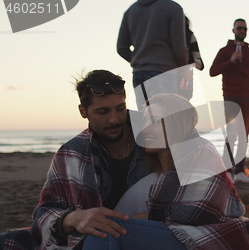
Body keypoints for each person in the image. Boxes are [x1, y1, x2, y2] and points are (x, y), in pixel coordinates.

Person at [0, 70, 153, 249]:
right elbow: (43, 214)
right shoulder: (71, 153)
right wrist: (73, 218)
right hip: (93, 238)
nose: (114, 119)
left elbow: (191, 190)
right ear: (83, 111)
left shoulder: (155, 131)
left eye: (120, 108)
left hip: (149, 232)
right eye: (102, 112)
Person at [82, 93, 249, 250]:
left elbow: (203, 211)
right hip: (174, 238)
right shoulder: (150, 182)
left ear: (176, 123)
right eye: (145, 122)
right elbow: (123, 216)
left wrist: (149, 215)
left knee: (104, 232)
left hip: (209, 238)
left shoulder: (203, 152)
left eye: (156, 121)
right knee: (104, 230)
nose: (146, 129)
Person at [209, 18, 249, 183]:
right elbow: (212, 71)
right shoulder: (225, 51)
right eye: (239, 28)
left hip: (247, 97)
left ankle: (240, 171)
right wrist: (230, 61)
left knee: (244, 135)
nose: (242, 31)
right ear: (233, 30)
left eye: (244, 29)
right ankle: (227, 171)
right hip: (230, 96)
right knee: (231, 134)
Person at [117, 0, 189, 109]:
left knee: (145, 118)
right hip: (164, 73)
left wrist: (139, 61)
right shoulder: (173, 8)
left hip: (138, 75)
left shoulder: (130, 11)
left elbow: (121, 48)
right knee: (167, 119)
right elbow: (179, 47)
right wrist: (184, 69)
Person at [178, 16, 205, 101]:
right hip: (174, 80)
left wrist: (188, 62)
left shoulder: (189, 35)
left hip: (184, 81)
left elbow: (200, 64)